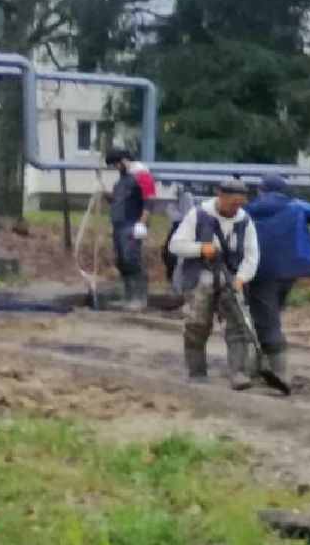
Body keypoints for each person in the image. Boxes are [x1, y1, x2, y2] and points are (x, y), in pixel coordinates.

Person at [168, 179, 261, 387]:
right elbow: (175, 245)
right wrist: (201, 248)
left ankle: (238, 373)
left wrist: (242, 278)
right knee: (197, 323)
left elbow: (251, 255)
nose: (236, 209)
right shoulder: (198, 215)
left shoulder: (245, 221)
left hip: (231, 279)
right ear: (220, 196)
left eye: (240, 204)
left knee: (238, 324)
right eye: (232, 204)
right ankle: (197, 371)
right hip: (201, 277)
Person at [243, 175, 310, 391]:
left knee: (265, 319)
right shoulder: (297, 206)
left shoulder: (247, 209)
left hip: (260, 268)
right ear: (284, 191)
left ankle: (280, 373)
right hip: (293, 267)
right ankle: (255, 365)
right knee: (270, 314)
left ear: (261, 191)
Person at [105, 148, 157, 311]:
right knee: (122, 261)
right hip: (119, 226)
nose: (115, 168)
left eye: (115, 164)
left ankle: (139, 298)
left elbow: (149, 201)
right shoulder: (122, 180)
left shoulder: (142, 176)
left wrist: (141, 223)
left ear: (124, 160)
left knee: (132, 260)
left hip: (132, 225)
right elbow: (119, 200)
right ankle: (128, 297)